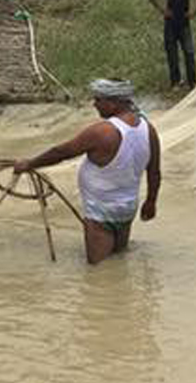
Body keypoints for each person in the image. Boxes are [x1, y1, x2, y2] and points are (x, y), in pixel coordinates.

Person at [13, 78, 161, 264]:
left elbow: (61, 152)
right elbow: (154, 172)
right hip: (127, 208)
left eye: (98, 100)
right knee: (118, 261)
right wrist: (151, 202)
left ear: (112, 102)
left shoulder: (102, 132)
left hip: (101, 212)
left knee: (98, 270)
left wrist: (29, 164)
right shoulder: (148, 129)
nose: (95, 104)